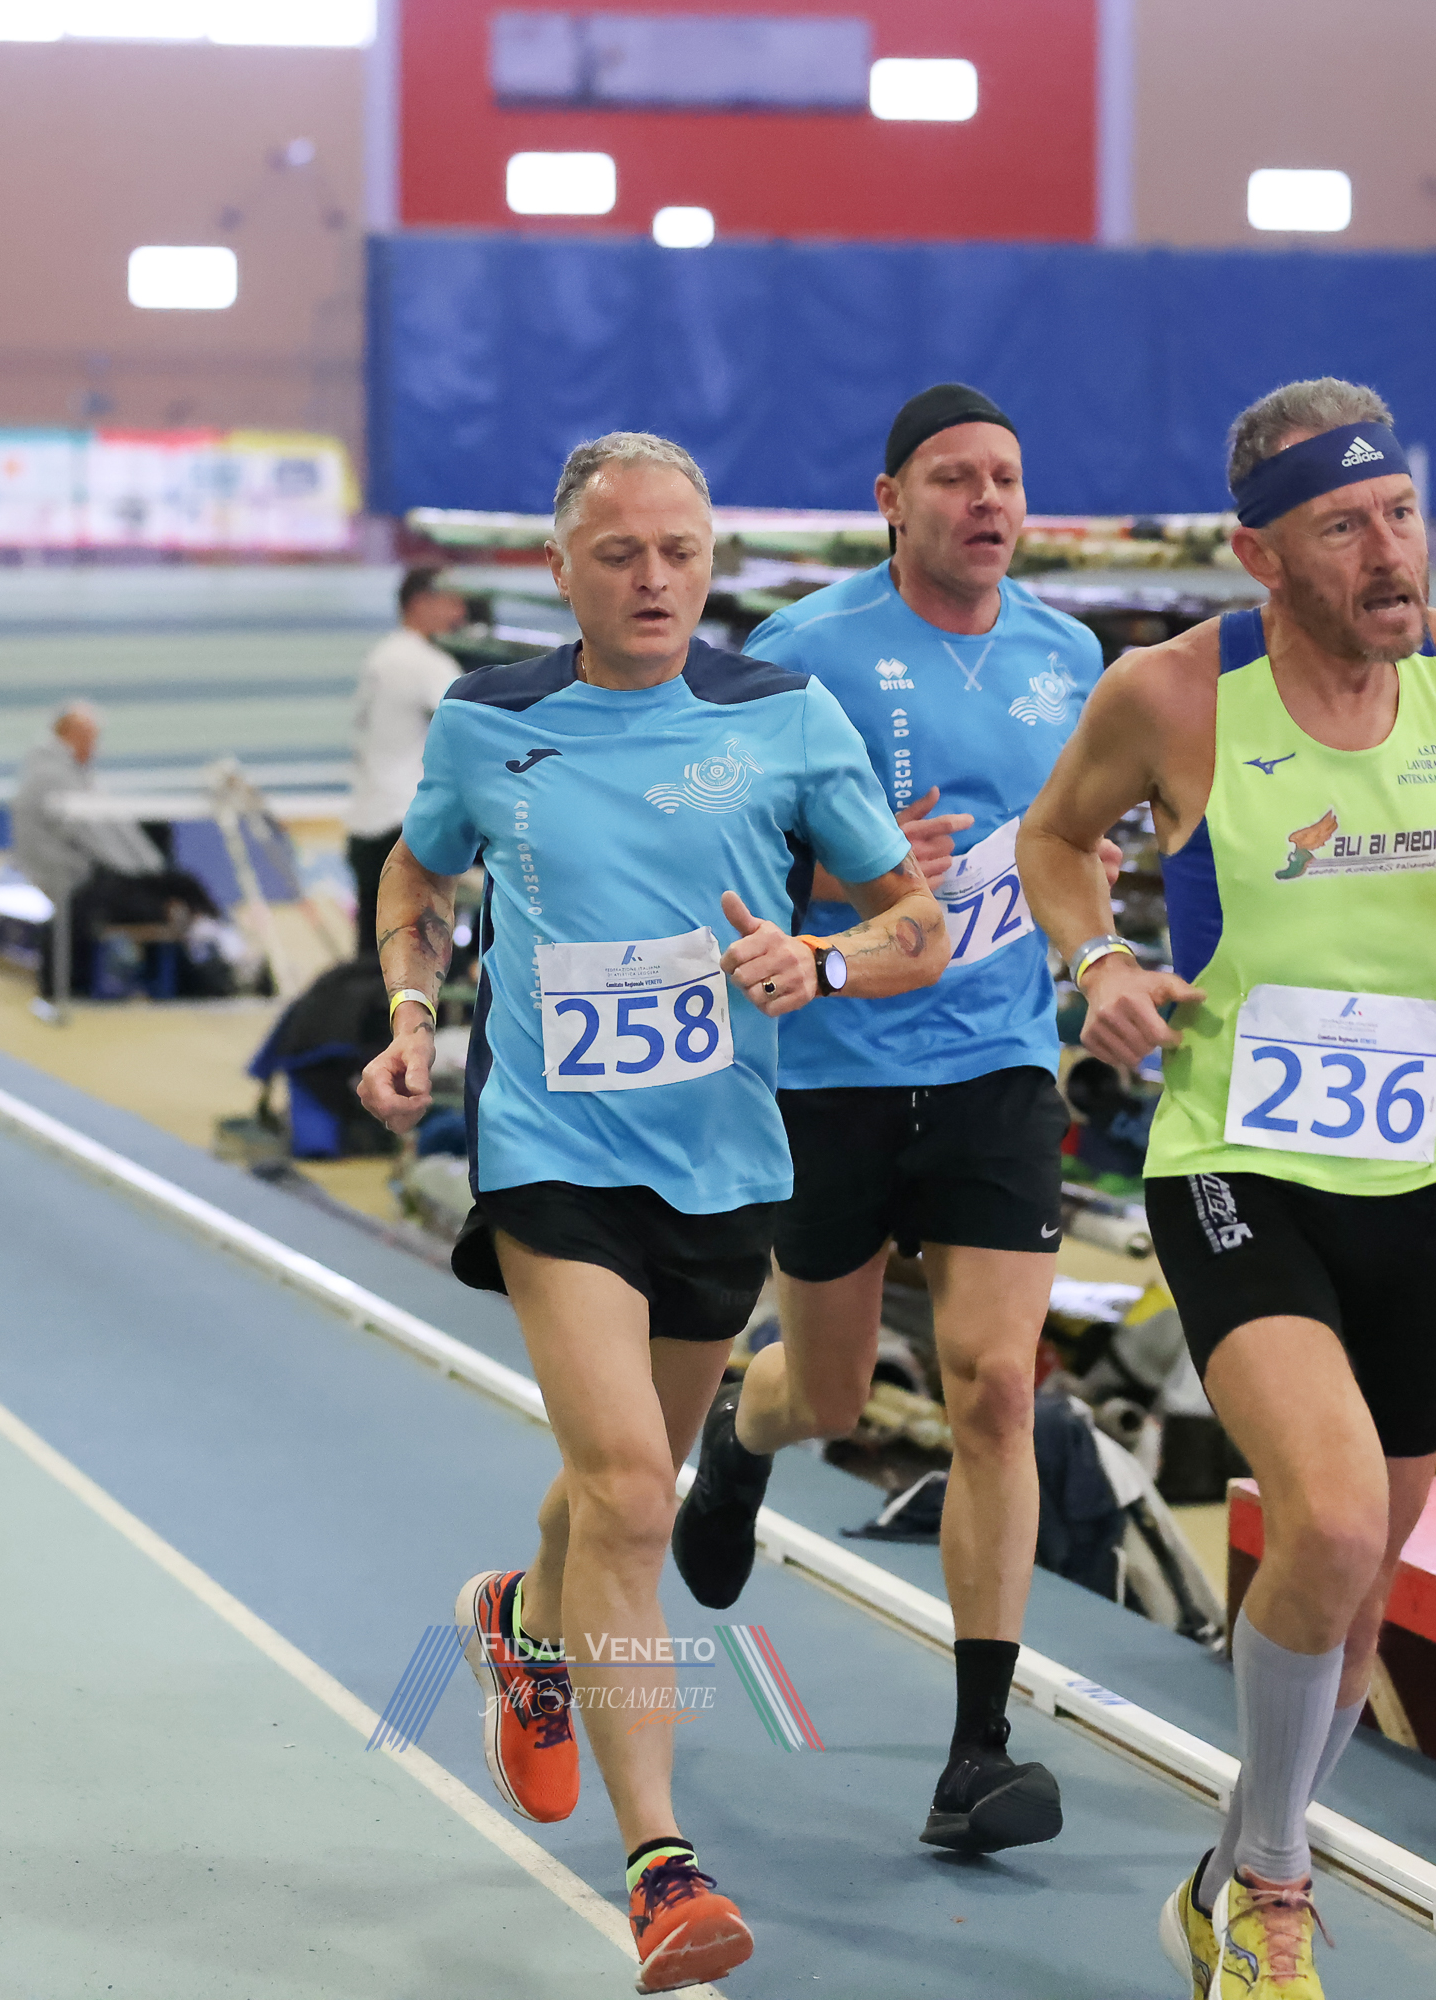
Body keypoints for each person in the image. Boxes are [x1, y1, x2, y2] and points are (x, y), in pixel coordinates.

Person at [1017, 378, 1436, 2000]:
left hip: (1418, 1182)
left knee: (1364, 1588)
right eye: (1344, 526)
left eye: (1402, 514)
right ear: (1262, 556)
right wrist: (1098, 966)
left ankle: (1226, 1873)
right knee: (1338, 1514)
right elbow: (1053, 843)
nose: (1390, 553)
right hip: (1234, 1161)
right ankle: (1277, 1885)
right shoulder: (1175, 694)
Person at [356, 432, 948, 1993]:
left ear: (711, 561)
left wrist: (822, 961)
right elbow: (414, 880)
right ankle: (662, 1869)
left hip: (723, 1164)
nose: (653, 579)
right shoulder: (490, 722)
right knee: (629, 1491)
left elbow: (918, 926)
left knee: (621, 1485)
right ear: (561, 569)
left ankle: (520, 1624)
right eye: (618, 554)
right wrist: (411, 1014)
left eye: (680, 551)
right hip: (552, 1153)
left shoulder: (786, 717)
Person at [667, 382, 1106, 1856]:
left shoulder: (1070, 657)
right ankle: (746, 1426)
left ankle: (979, 1751)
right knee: (835, 1397)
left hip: (997, 1066)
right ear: (892, 500)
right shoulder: (804, 651)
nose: (988, 502)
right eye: (955, 478)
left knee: (995, 1387)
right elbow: (711, 850)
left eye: (1007, 478)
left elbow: (1077, 838)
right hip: (835, 1066)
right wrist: (842, 868)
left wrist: (1086, 908)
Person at [8, 699, 217, 1015]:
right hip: (72, 879)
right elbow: (99, 838)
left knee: (172, 878)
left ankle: (201, 945)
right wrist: (150, 871)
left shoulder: (59, 771)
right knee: (178, 885)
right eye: (91, 739)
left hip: (71, 874)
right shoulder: (56, 777)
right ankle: (212, 950)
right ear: (73, 735)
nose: (96, 748)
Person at [346, 568, 469, 952]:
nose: (461, 614)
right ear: (420, 603)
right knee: (419, 959)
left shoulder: (381, 656)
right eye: (452, 602)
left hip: (367, 823)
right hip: (406, 825)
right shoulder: (426, 662)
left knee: (374, 957)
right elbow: (474, 728)